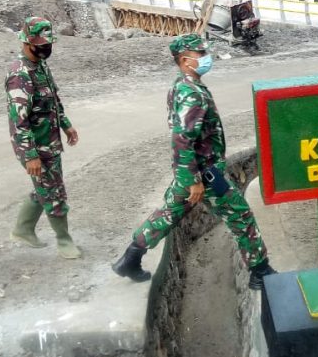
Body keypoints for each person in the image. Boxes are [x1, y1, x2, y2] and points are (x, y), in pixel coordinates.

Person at [112, 34, 275, 289]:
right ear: (185, 61)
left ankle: (131, 257)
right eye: (200, 55)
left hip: (190, 172)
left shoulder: (181, 86)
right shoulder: (192, 94)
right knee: (240, 216)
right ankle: (260, 271)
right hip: (205, 175)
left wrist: (186, 178)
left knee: (169, 213)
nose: (206, 57)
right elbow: (182, 139)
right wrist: (194, 181)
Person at [6, 17, 81, 259]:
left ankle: (23, 229)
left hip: (49, 141)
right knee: (54, 192)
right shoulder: (20, 75)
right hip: (36, 148)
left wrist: (66, 125)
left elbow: (53, 100)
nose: (46, 49)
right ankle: (64, 241)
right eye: (41, 45)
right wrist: (30, 156)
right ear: (27, 43)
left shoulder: (40, 66)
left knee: (45, 188)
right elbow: (19, 122)